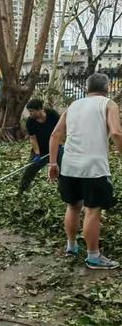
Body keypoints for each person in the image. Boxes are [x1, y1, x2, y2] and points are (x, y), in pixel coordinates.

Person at [49, 73, 122, 269]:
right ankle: (93, 257)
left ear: (87, 88)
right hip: (94, 168)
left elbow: (56, 134)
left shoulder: (73, 105)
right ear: (107, 87)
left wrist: (53, 163)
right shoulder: (109, 104)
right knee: (93, 210)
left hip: (69, 165)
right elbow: (116, 132)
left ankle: (71, 246)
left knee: (73, 206)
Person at [19, 99, 60, 194]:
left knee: (62, 170)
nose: (30, 114)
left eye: (32, 111)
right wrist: (37, 154)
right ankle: (21, 190)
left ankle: (63, 191)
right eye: (29, 112)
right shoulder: (30, 122)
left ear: (39, 109)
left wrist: (59, 144)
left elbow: (60, 131)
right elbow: (33, 138)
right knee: (30, 169)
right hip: (40, 150)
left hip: (55, 148)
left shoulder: (52, 115)